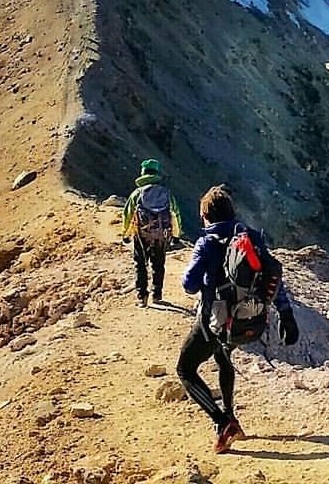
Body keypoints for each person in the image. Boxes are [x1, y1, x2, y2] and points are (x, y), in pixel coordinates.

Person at [177, 184, 299, 454]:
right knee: (223, 358)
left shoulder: (206, 243)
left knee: (185, 369)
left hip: (215, 322)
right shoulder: (251, 237)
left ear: (206, 216)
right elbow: (273, 276)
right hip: (248, 320)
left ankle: (222, 423)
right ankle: (231, 415)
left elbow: (189, 285)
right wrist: (286, 313)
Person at [122, 158, 183, 306]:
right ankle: (157, 294)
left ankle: (142, 296)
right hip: (161, 235)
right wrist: (176, 235)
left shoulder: (137, 194)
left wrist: (126, 234)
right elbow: (175, 215)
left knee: (140, 264)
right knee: (158, 264)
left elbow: (128, 215)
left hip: (141, 234)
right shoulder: (166, 193)